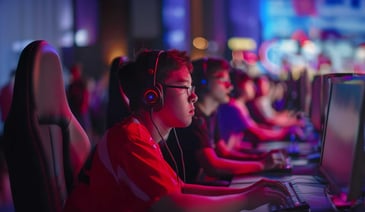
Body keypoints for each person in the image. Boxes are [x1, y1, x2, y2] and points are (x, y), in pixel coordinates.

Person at [64, 50, 289, 212]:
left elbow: (181, 190)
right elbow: (174, 205)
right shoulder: (129, 140)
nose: (194, 96)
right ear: (154, 95)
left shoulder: (145, 137)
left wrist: (249, 192)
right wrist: (247, 200)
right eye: (185, 87)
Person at [163, 58, 287, 186]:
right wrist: (261, 164)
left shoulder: (212, 113)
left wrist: (261, 159)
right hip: (191, 189)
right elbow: (212, 165)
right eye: (223, 80)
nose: (230, 86)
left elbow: (224, 151)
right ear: (203, 82)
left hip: (198, 186)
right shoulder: (194, 117)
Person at [217, 69, 301, 149]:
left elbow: (253, 130)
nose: (254, 87)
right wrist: (284, 132)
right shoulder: (234, 107)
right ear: (240, 86)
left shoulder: (239, 105)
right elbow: (257, 133)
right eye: (249, 84)